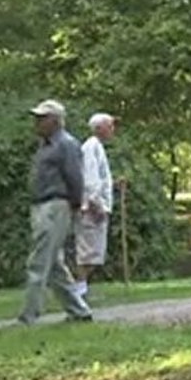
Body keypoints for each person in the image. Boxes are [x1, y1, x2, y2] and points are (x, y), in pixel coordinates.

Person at [18, 100, 93, 325]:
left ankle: (28, 316)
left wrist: (76, 204)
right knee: (54, 265)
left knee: (39, 261)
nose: (37, 122)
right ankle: (79, 312)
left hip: (56, 205)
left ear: (56, 120)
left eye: (42, 118)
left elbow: (75, 177)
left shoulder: (66, 144)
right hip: (42, 205)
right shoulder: (46, 145)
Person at [73, 112, 116, 298]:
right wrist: (96, 204)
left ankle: (81, 289)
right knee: (88, 252)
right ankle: (78, 290)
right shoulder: (91, 147)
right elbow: (90, 179)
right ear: (99, 128)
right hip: (91, 208)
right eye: (110, 126)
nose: (112, 130)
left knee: (95, 252)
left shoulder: (96, 147)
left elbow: (101, 177)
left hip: (95, 206)